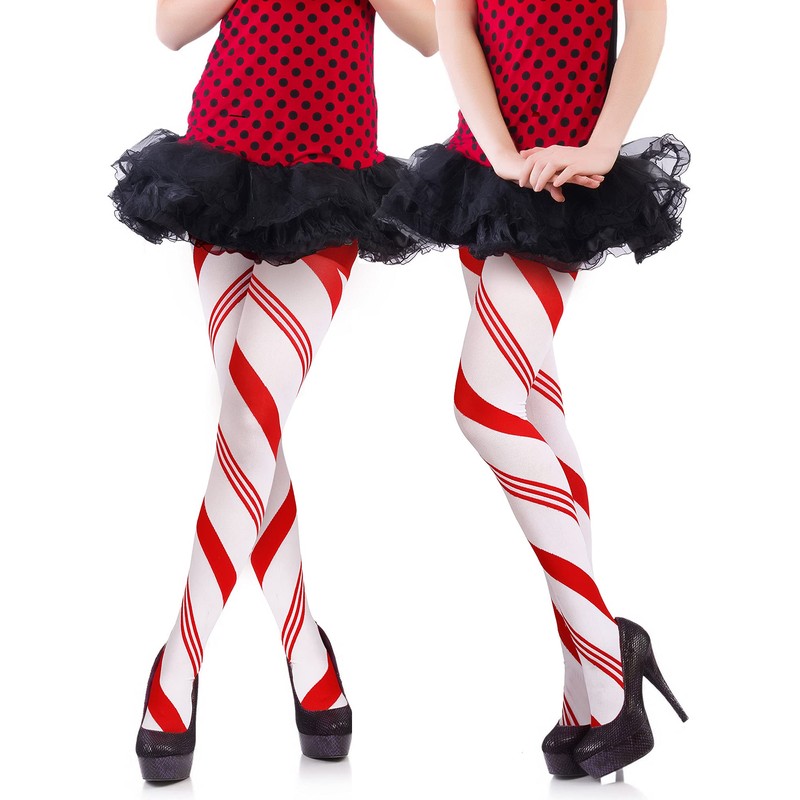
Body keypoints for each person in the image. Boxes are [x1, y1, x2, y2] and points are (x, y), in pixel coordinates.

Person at [111, 0, 436, 781]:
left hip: (330, 179)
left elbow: (429, 34)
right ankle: (307, 654)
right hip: (223, 165)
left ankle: (177, 667)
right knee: (249, 429)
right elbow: (171, 26)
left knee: (250, 424)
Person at [378, 0, 688, 779]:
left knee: (483, 405)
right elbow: (457, 25)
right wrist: (500, 155)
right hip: (486, 166)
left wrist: (602, 145)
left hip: (568, 172)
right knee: (535, 411)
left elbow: (645, 27)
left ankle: (606, 658)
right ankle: (588, 686)